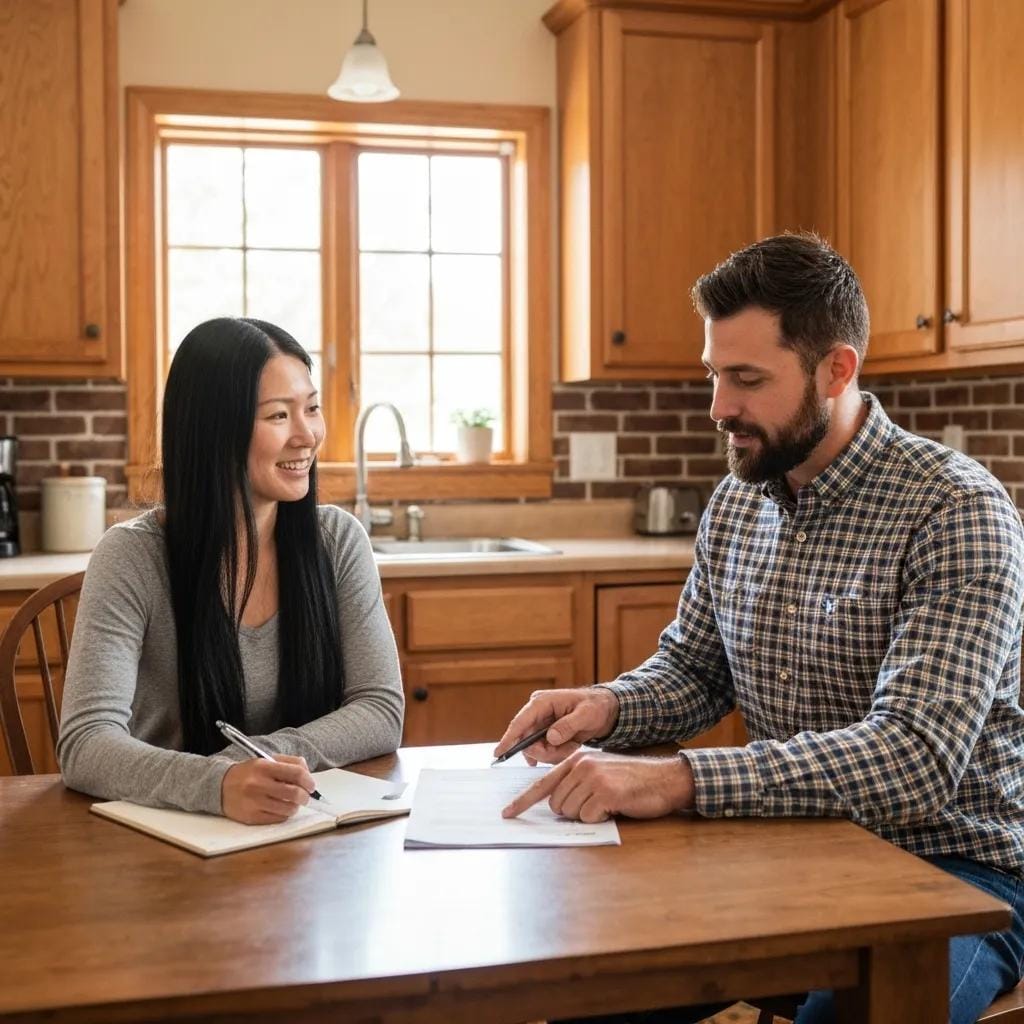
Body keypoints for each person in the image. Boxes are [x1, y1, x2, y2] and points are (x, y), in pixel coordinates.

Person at [494, 234, 1024, 1024]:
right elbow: (695, 671)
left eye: (747, 379)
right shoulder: (739, 500)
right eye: (715, 374)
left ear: (836, 370)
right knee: (591, 982)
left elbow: (914, 758)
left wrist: (679, 780)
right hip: (789, 845)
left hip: (957, 871)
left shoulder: (955, 511)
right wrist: (608, 705)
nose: (718, 408)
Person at [59, 317, 404, 824]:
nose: (307, 435)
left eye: (311, 408)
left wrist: (261, 762)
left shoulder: (338, 541)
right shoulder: (132, 556)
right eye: (278, 415)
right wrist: (217, 784)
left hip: (298, 829)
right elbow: (86, 743)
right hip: (165, 834)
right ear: (214, 429)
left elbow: (380, 708)